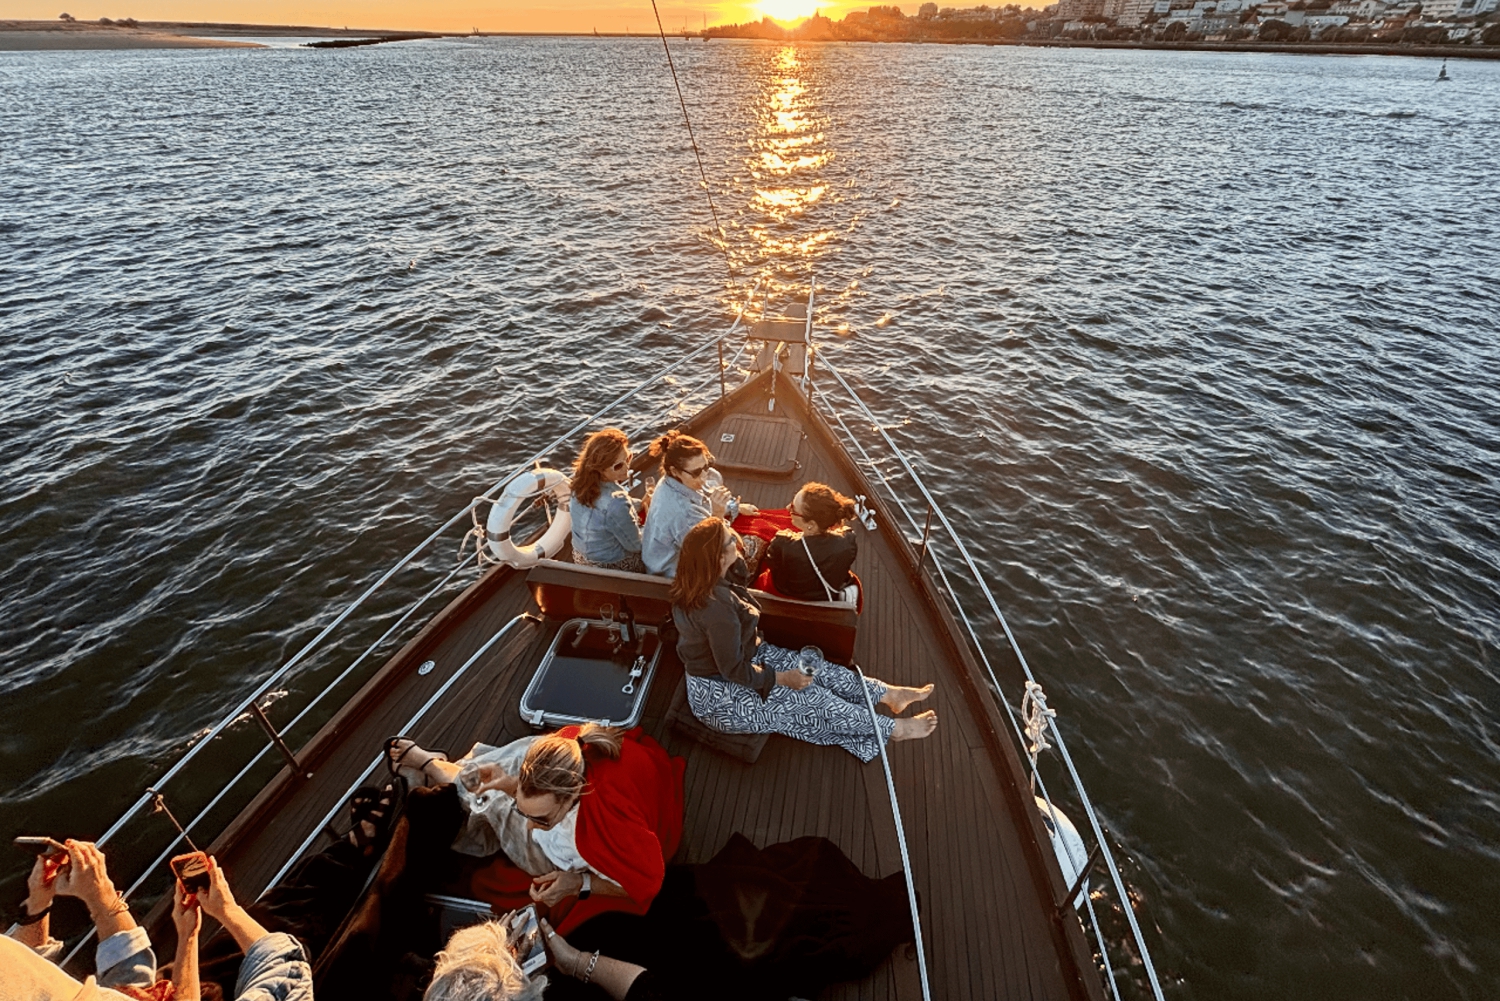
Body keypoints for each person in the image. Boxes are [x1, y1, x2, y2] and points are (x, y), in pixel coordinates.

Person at [671, 518, 936, 762]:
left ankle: (888, 694)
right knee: (812, 699)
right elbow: (733, 670)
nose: (737, 539)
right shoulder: (717, 610)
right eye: (731, 539)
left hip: (746, 655)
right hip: (721, 697)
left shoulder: (702, 577)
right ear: (717, 559)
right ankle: (894, 729)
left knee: (816, 667)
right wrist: (782, 679)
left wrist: (733, 552)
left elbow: (738, 584)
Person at [388, 724, 684, 935]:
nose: (531, 826)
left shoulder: (608, 825)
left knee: (493, 806)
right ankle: (441, 770)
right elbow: (554, 759)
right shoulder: (570, 748)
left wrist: (578, 883)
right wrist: (510, 785)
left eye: (541, 819)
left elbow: (648, 883)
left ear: (573, 795)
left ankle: (438, 770)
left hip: (565, 850)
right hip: (549, 789)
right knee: (516, 763)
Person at [639, 431, 757, 578]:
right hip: (677, 574)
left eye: (706, 467)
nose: (704, 476)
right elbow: (708, 552)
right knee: (753, 550)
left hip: (662, 557)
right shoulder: (683, 513)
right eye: (696, 472)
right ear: (675, 471)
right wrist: (718, 516)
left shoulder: (670, 481)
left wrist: (734, 507)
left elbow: (702, 504)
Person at [760, 482, 859, 602]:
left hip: (786, 591)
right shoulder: (848, 542)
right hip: (825, 596)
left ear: (811, 524)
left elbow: (770, 563)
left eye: (793, 508)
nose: (787, 508)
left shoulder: (782, 544)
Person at [568, 428, 645, 573]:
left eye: (628, 458)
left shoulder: (578, 485)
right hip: (611, 566)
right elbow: (635, 546)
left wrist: (639, 504)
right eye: (618, 466)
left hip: (581, 558)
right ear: (600, 469)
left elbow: (603, 512)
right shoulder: (617, 500)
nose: (627, 467)